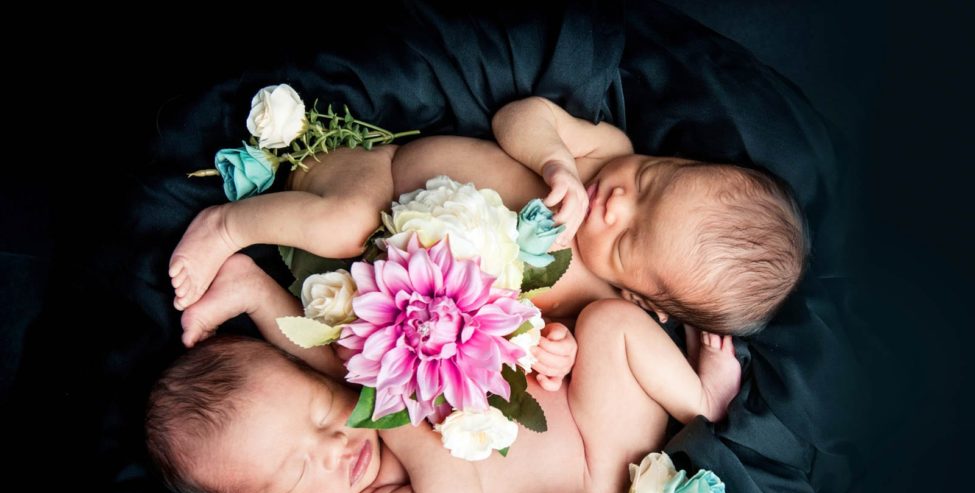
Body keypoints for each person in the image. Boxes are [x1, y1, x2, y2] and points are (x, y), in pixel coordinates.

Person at [146, 253, 741, 493]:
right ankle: (708, 408)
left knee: (607, 321)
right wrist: (362, 393)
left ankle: (693, 397)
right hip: (603, 478)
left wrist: (254, 293)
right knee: (610, 321)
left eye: (324, 414)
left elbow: (321, 362)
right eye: (299, 471)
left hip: (586, 406)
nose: (336, 446)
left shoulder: (365, 413)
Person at [169, 96, 807, 338]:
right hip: (382, 179)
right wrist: (556, 160)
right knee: (346, 226)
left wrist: (550, 352)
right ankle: (229, 225)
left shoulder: (597, 305)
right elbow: (519, 118)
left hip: (394, 286)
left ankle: (251, 290)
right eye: (652, 181)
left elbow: (528, 337)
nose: (616, 201)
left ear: (647, 301)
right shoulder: (604, 151)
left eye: (630, 237)